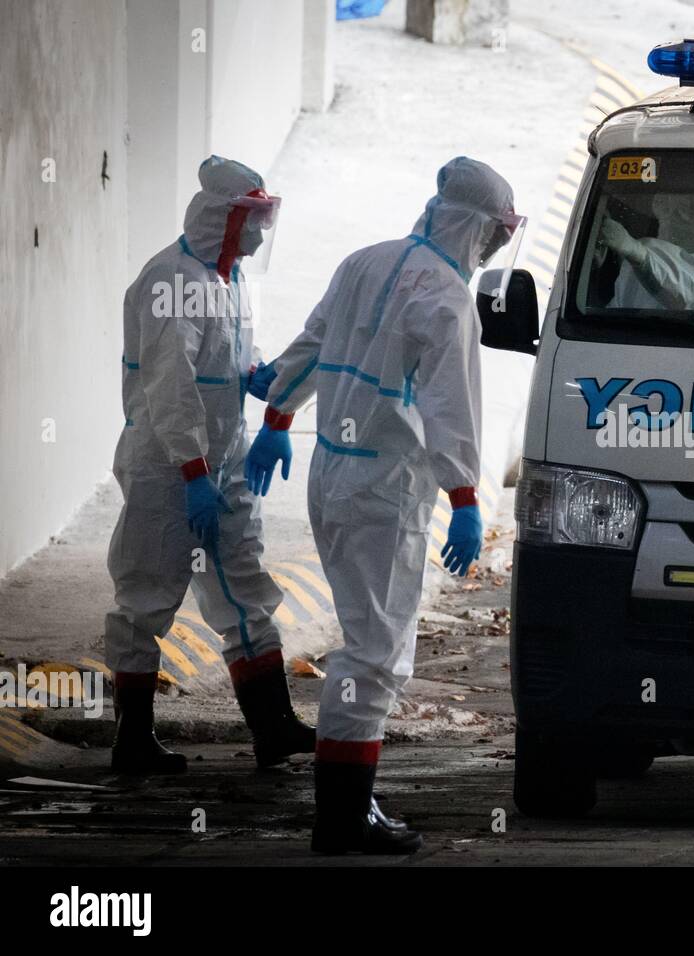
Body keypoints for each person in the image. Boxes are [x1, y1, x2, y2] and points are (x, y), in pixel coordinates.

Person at [245, 156, 520, 854]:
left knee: (363, 641)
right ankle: (342, 817)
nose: (493, 248)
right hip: (385, 492)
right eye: (494, 233)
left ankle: (347, 808)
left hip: (330, 477)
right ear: (475, 227)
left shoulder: (364, 261)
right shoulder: (448, 298)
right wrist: (463, 495)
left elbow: (310, 348)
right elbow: (451, 408)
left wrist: (278, 417)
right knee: (373, 654)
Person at [105, 156, 315, 775]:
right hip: (169, 471)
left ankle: (274, 727)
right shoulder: (169, 281)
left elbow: (224, 360)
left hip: (221, 465)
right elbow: (171, 389)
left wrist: (255, 377)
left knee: (246, 588)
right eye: (251, 219)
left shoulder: (228, 278)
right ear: (222, 216)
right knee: (146, 594)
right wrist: (193, 474)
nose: (257, 233)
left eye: (263, 218)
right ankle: (132, 740)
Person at [597, 193, 694, 311]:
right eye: (664, 204)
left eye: (685, 208)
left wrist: (636, 253)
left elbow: (689, 291)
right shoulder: (635, 266)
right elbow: (614, 315)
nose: (671, 216)